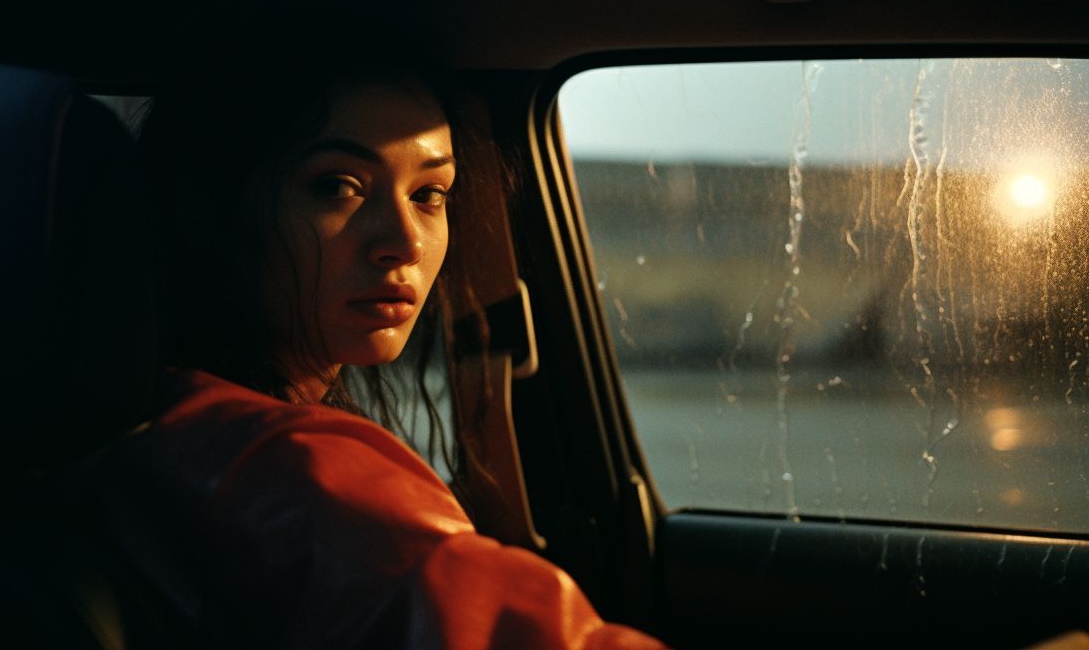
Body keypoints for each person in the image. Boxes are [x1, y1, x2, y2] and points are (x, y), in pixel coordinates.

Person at [72, 51, 667, 648]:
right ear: (213, 207)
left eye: (431, 194)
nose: (405, 242)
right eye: (338, 186)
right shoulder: (287, 472)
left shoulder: (151, 427)